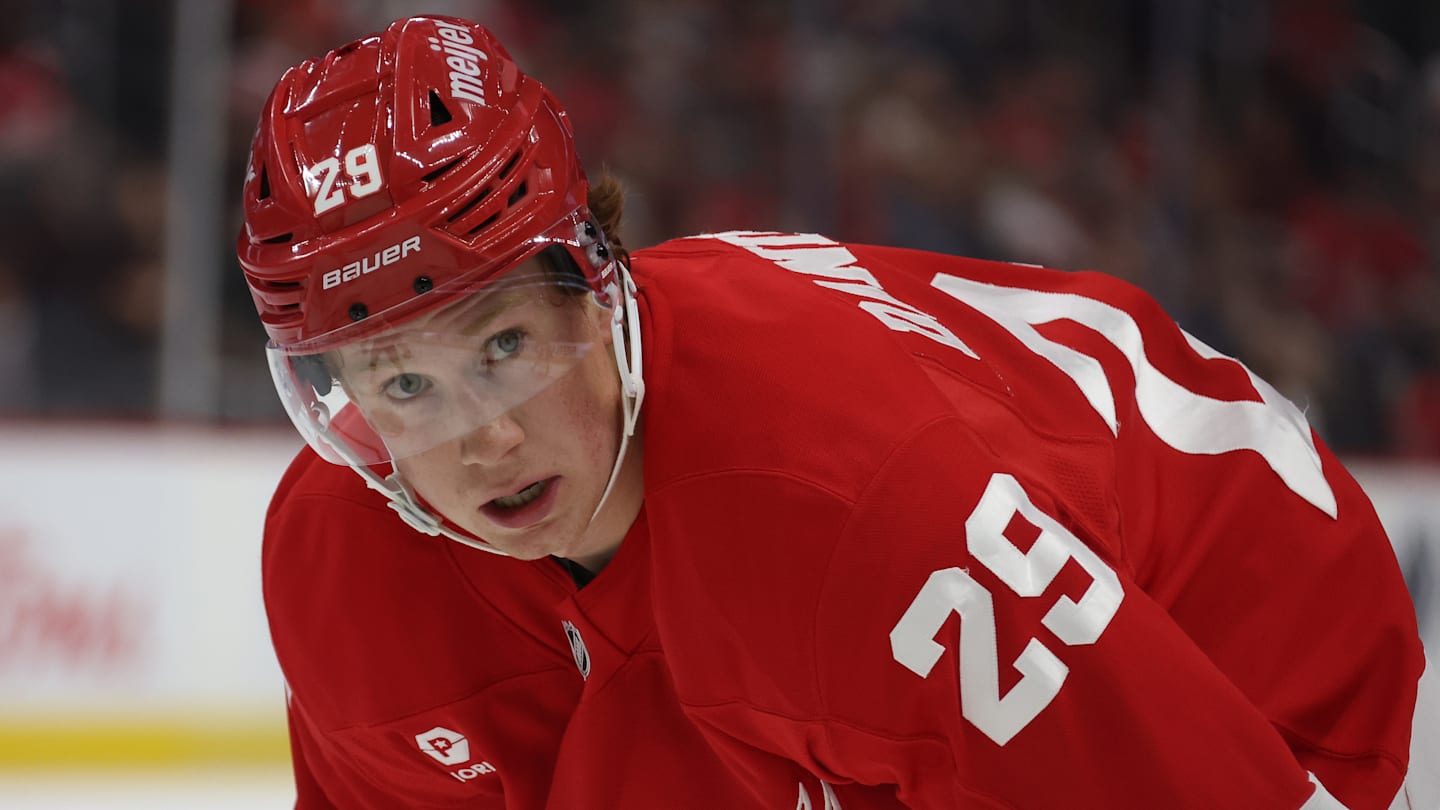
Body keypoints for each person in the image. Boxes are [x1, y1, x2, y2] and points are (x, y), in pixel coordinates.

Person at [238, 15, 1435, 809]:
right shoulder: (343, 568)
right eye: (404, 384)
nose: (479, 440)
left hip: (1261, 668)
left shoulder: (863, 507)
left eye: (504, 346)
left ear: (596, 287)